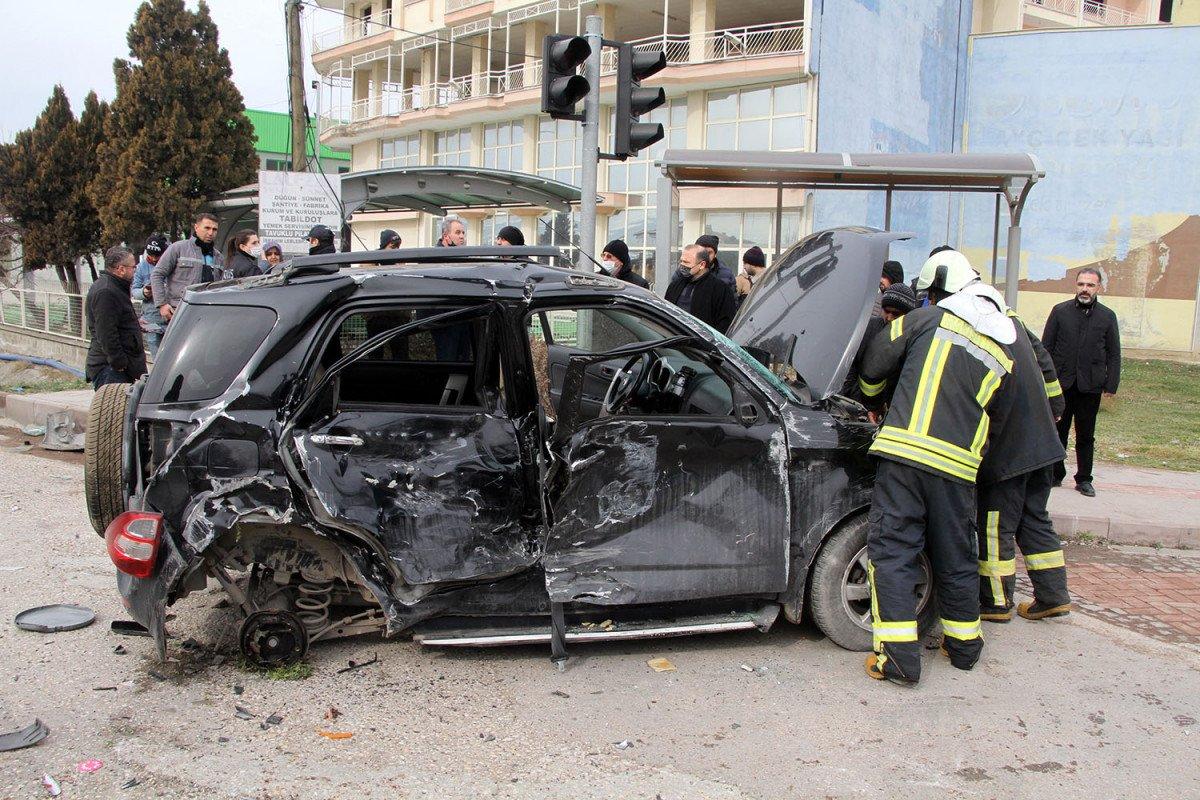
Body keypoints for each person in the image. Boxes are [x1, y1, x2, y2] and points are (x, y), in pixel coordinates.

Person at [857, 248, 1017, 685]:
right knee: (957, 556)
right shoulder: (1003, 357)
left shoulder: (924, 321)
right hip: (958, 472)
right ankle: (965, 648)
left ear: (937, 293)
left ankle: (899, 661)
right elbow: (996, 421)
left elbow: (875, 360)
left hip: (905, 458)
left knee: (893, 553)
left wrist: (872, 400)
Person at [977, 302, 1073, 625]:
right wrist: (1055, 405)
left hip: (1011, 452)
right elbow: (1044, 360)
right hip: (1043, 444)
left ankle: (995, 601)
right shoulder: (1012, 319)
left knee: (994, 524)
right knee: (1034, 518)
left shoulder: (976, 322)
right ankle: (1053, 596)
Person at [1042, 267, 1120, 497]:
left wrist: (1111, 384)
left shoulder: (1107, 316)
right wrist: (1045, 379)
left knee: (1086, 434)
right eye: (1081, 284)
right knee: (1058, 432)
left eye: (1090, 285)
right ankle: (1055, 474)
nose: (1085, 289)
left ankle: (1084, 479)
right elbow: (1046, 348)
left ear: (1098, 287)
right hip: (1062, 385)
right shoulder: (1060, 311)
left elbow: (1113, 353)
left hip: (1090, 386)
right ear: (1076, 285)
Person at [85, 246, 147, 390]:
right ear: (121, 269)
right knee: (115, 411)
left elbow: (116, 320)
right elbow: (106, 332)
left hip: (124, 366)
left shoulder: (116, 287)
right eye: (133, 267)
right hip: (112, 370)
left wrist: (134, 324)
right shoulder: (106, 291)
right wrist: (119, 362)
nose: (135, 270)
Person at [843, 283, 917, 399]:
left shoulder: (912, 340)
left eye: (896, 314)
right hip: (856, 400)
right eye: (886, 311)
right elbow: (851, 366)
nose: (889, 318)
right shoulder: (868, 327)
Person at [151, 212, 223, 323]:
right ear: (196, 227)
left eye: (214, 229)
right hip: (179, 311)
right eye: (207, 228)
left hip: (207, 313)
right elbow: (157, 274)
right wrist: (162, 304)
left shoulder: (218, 257)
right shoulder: (178, 248)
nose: (210, 233)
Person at [665, 244, 736, 334]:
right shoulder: (675, 285)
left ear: (702, 265)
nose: (682, 265)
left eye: (686, 262)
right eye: (681, 261)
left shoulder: (720, 289)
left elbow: (725, 323)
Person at [130, 234, 169, 356]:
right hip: (151, 318)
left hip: (170, 316)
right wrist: (144, 293)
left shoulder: (172, 263)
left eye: (157, 256)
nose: (153, 259)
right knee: (156, 357)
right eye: (150, 255)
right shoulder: (141, 267)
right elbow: (134, 291)